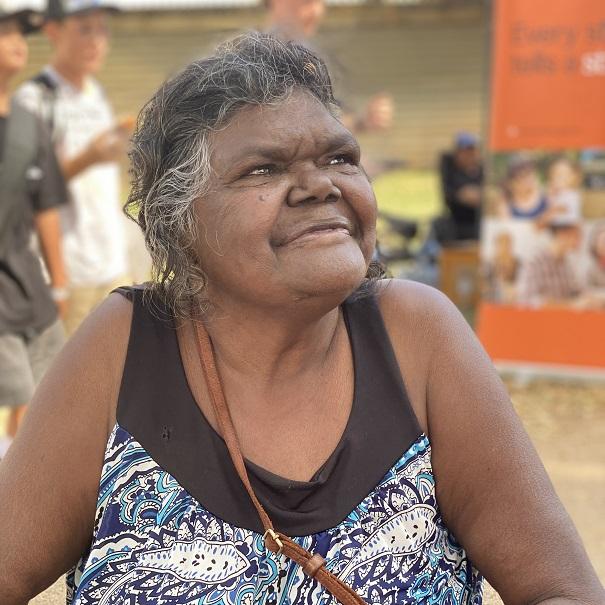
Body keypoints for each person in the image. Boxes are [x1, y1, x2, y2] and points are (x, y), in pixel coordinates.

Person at [1, 33, 603, 605]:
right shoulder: (125, 346)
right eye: (264, 169)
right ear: (179, 219)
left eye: (340, 157)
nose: (320, 186)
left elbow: (564, 589)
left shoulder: (417, 335)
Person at [15, 0, 130, 336]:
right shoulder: (34, 100)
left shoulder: (96, 93)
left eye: (102, 29)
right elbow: (25, 190)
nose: (97, 40)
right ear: (52, 31)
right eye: (84, 29)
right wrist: (87, 159)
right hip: (69, 272)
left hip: (113, 268)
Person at [0, 2, 67, 456]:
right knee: (17, 391)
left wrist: (59, 283)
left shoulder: (29, 122)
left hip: (29, 288)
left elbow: (46, 206)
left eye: (20, 34)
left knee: (44, 395)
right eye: (5, 34)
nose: (17, 43)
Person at [266, 0, 394, 142]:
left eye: (320, 2)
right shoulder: (250, 58)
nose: (317, 11)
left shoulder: (320, 59)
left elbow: (329, 120)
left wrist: (362, 122)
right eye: (307, 2)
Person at [517, 210, 583, 307]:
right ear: (562, 233)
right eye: (576, 234)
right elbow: (530, 302)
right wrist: (572, 304)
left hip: (562, 320)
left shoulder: (567, 263)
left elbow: (576, 292)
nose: (580, 240)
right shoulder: (535, 261)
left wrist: (591, 299)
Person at [439, 132, 483, 241]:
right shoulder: (451, 170)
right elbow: (450, 195)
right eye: (466, 151)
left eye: (473, 151)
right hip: (457, 222)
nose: (470, 155)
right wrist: (463, 195)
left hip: (478, 223)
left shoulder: (481, 170)